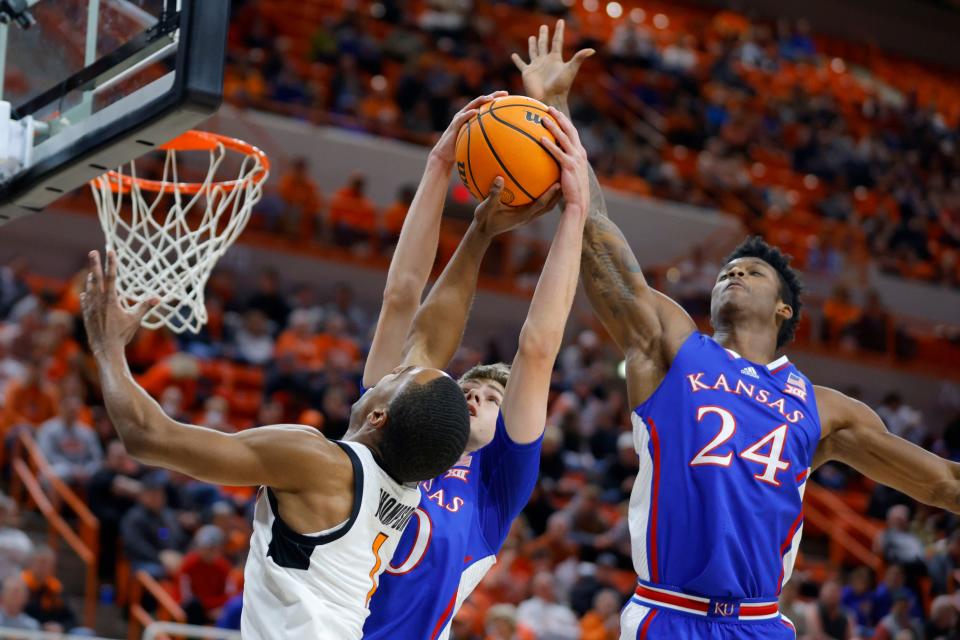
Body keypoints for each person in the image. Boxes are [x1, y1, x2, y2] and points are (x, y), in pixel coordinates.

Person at [516, 20, 960, 639]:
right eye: (728, 268)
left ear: (785, 311)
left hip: (760, 625)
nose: (733, 274)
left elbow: (942, 482)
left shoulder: (823, 409)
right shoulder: (673, 346)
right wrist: (555, 108)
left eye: (751, 271)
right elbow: (600, 239)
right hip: (668, 614)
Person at [80, 249, 471, 639]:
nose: (396, 369)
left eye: (397, 377)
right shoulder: (409, 477)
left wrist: (108, 348)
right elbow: (430, 341)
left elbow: (147, 437)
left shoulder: (316, 462)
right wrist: (480, 233)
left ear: (378, 416)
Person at [363, 95, 590, 639]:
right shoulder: (389, 430)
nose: (476, 399)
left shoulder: (492, 491)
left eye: (493, 401)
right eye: (469, 390)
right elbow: (401, 298)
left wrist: (576, 213)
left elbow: (537, 347)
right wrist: (439, 166)